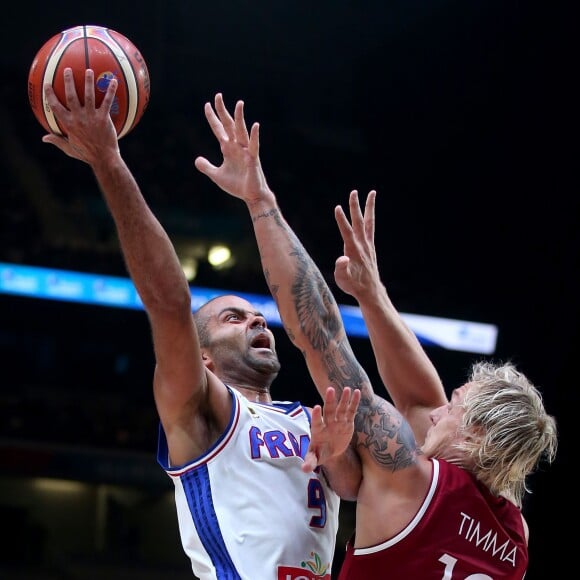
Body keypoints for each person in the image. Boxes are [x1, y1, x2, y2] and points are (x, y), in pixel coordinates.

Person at [193, 95, 558, 578]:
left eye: (455, 404)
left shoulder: (406, 478)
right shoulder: (514, 532)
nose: (440, 408)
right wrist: (371, 293)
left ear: (476, 435)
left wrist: (260, 201)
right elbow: (418, 398)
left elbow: (320, 331)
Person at [41, 69, 363, 579]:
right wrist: (107, 161)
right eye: (233, 317)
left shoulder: (310, 417)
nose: (257, 320)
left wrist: (338, 454)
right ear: (203, 355)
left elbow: (349, 488)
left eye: (258, 316)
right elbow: (169, 304)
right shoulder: (204, 408)